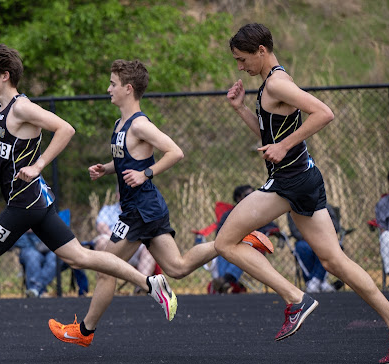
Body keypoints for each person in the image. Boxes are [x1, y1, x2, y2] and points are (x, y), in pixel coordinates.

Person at [0, 45, 179, 355]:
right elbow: (9, 156)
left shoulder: (22, 107)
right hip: (33, 200)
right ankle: (150, 284)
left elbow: (65, 128)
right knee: (78, 256)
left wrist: (38, 165)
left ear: (4, 76)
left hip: (25, 202)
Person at [218, 23, 389, 364]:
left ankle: (296, 299)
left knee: (225, 242)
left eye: (242, 59)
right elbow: (269, 134)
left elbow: (324, 113)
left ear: (261, 51)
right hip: (304, 178)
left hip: (289, 182)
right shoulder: (272, 82)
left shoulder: (278, 82)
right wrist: (240, 109)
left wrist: (283, 146)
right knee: (333, 260)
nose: (240, 67)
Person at [48, 59, 272, 348]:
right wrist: (107, 168)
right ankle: (240, 241)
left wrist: (146, 174)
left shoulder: (140, 124)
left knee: (106, 268)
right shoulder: (120, 124)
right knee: (177, 267)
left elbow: (174, 152)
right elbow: (130, 159)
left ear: (128, 89)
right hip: (144, 207)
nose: (108, 89)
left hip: (140, 209)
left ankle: (84, 331)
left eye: (113, 84)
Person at [211, 185, 278, 294]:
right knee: (222, 249)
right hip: (231, 245)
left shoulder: (259, 212)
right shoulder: (229, 215)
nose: (251, 197)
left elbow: (272, 227)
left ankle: (224, 281)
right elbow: (219, 233)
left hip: (252, 246)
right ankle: (227, 283)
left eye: (253, 194)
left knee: (241, 251)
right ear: (238, 198)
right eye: (247, 195)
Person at [287, 205, 342, 293]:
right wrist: (310, 237)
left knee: (327, 247)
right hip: (304, 240)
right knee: (302, 247)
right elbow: (295, 231)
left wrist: (320, 236)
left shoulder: (324, 206)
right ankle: (319, 282)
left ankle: (314, 281)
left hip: (324, 239)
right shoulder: (293, 208)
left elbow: (335, 226)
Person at [15, 230, 57, 297]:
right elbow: (17, 242)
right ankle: (39, 291)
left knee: (54, 256)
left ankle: (35, 289)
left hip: (47, 250)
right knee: (33, 256)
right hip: (28, 249)